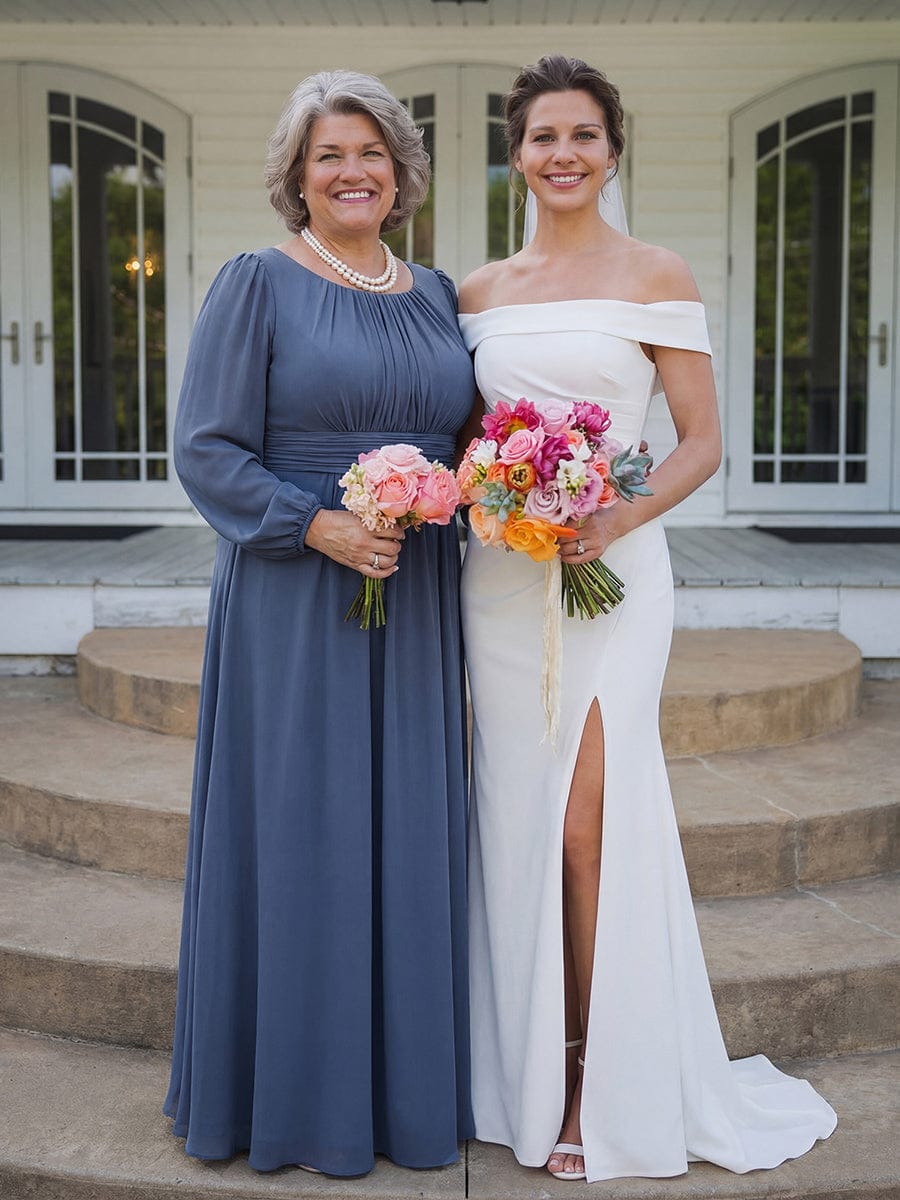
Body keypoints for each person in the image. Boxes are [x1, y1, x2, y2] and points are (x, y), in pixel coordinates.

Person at [457, 54, 837, 1184]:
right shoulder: (476, 291)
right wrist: (490, 493)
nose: (562, 155)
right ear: (516, 155)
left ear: (611, 151)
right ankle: (509, 1074)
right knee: (516, 828)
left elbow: (703, 441)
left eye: (583, 135)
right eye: (541, 138)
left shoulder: (656, 271)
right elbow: (464, 437)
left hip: (616, 574)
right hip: (504, 585)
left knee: (589, 830)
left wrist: (614, 515)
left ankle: (591, 1083)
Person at [164, 70, 475, 1176]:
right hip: (297, 592)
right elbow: (204, 447)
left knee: (404, 834)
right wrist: (316, 526)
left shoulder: (436, 293)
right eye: (328, 156)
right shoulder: (259, 282)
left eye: (371, 155)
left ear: (401, 175)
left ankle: (402, 1095)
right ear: (298, 178)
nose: (352, 172)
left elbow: (470, 440)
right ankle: (292, 1101)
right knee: (303, 832)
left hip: (420, 593)